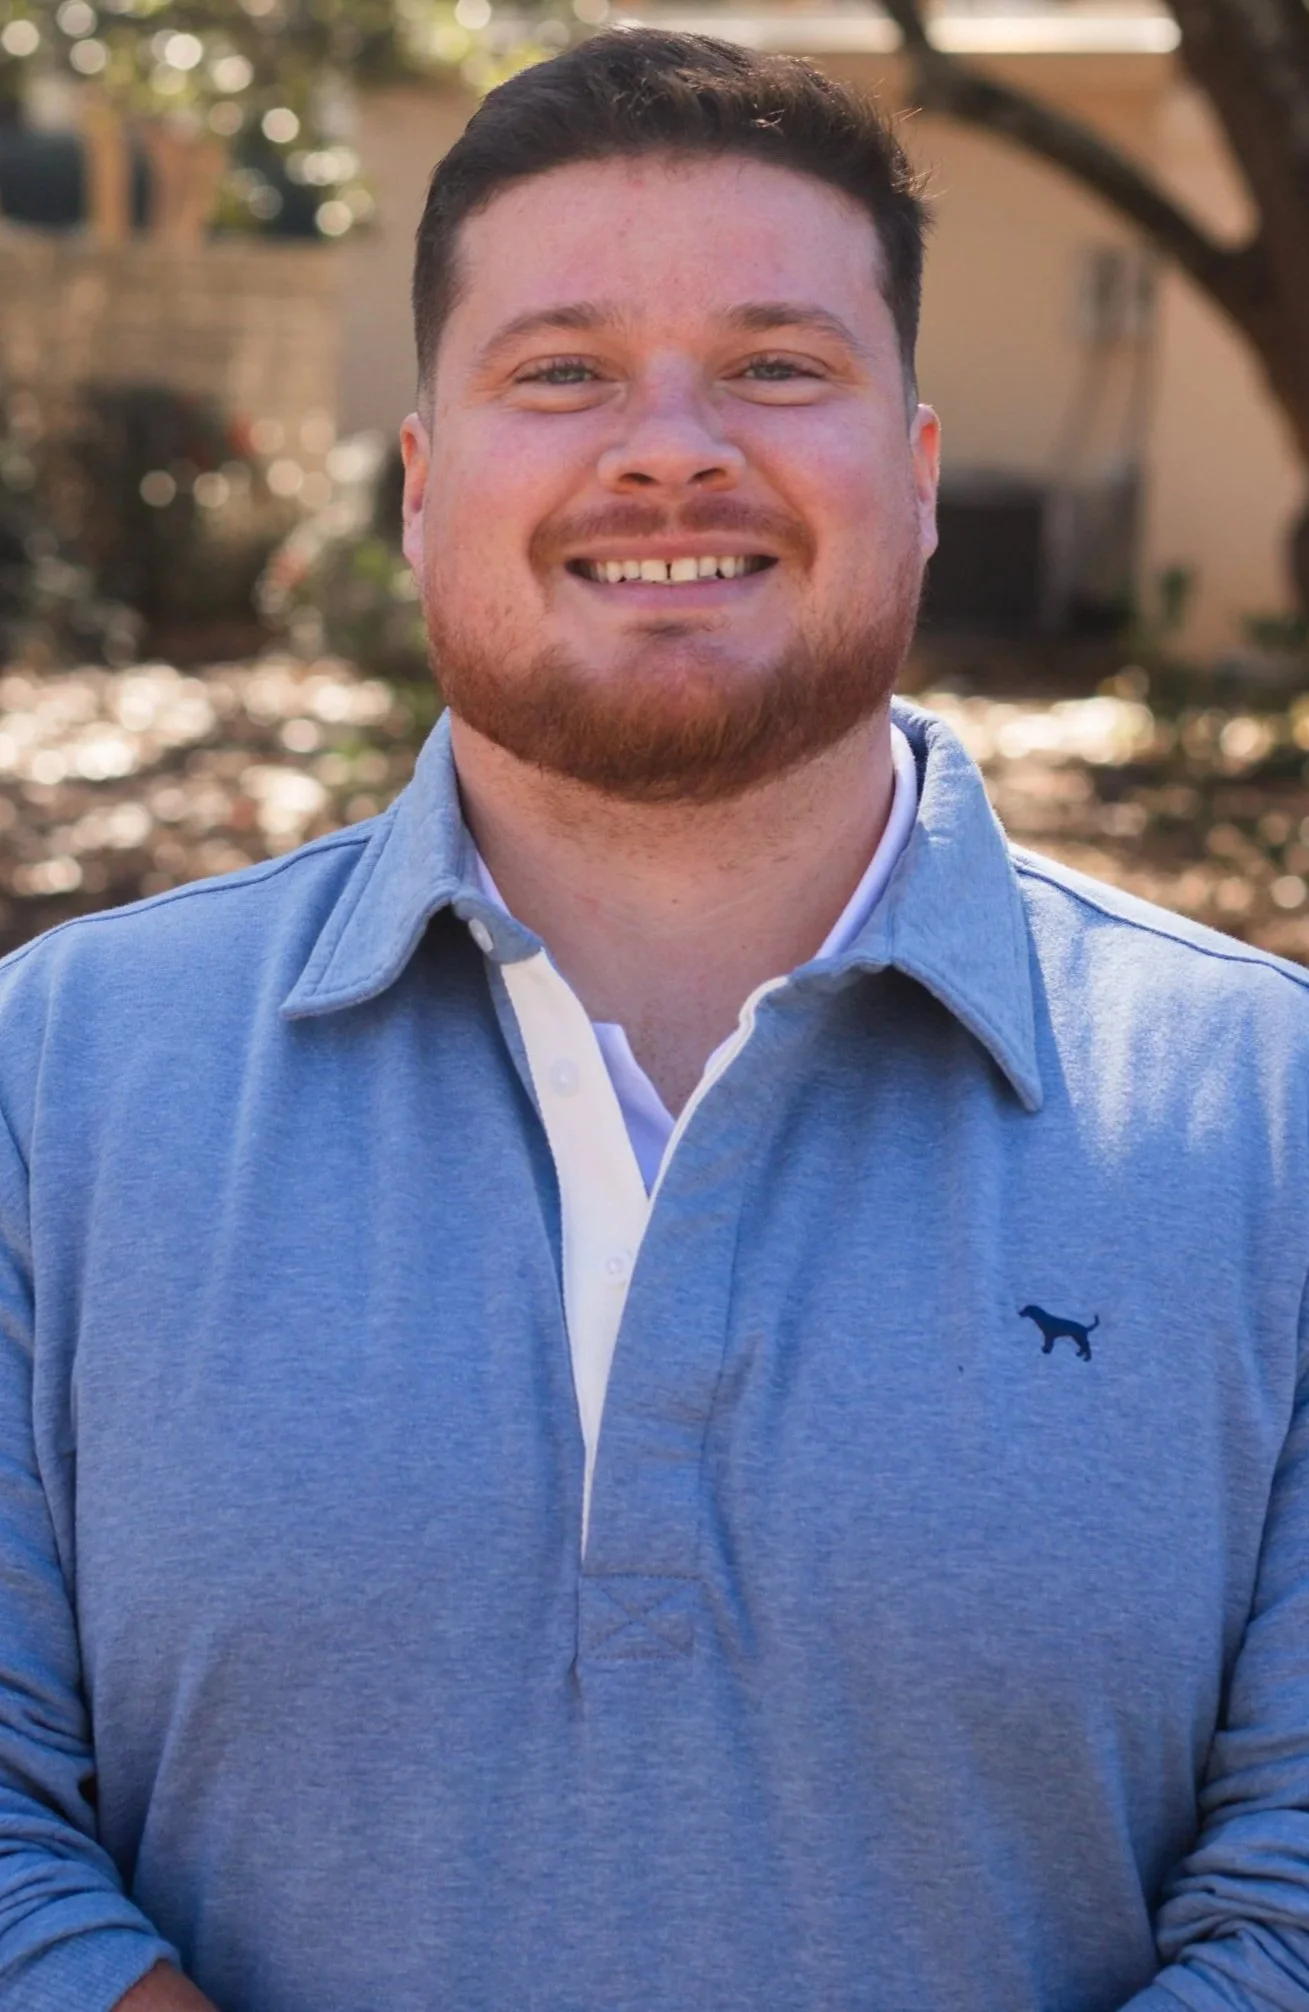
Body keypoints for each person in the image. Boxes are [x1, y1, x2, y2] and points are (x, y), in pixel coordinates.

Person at [0, 28, 1307, 2012]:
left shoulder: (1271, 1111)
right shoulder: (54, 1074)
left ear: (921, 474)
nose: (671, 446)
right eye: (562, 371)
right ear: (423, 489)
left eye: (779, 365)